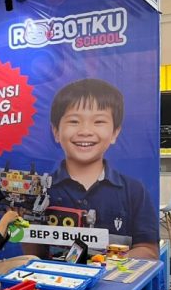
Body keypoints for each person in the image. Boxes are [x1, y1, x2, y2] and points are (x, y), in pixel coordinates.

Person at [47, 78, 159, 259]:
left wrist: (103, 267)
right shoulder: (43, 191)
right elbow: (36, 255)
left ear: (115, 133)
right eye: (74, 121)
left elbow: (148, 250)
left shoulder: (134, 191)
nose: (85, 131)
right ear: (56, 132)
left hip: (115, 277)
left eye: (98, 121)